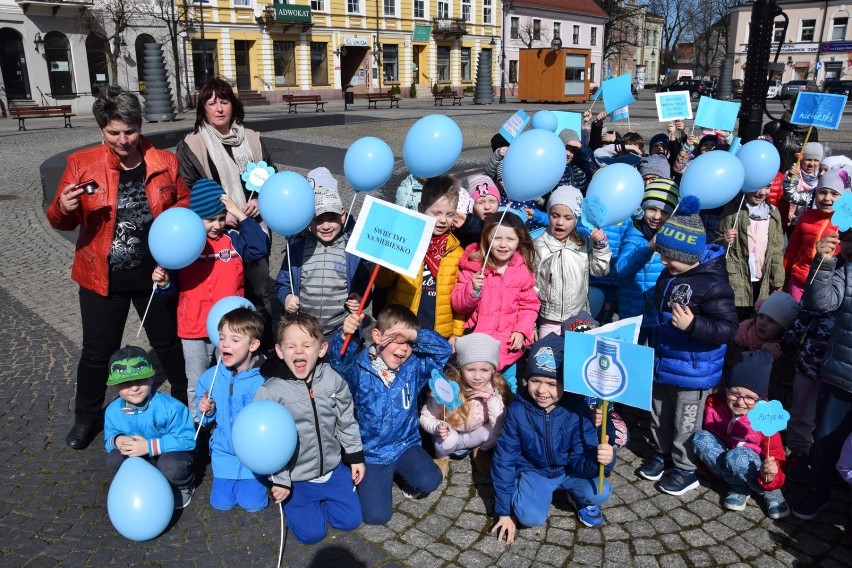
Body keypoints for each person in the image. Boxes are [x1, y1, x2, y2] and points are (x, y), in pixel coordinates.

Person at [46, 86, 189, 450]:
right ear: (101, 130)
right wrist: (63, 205)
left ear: (140, 126)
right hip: (100, 277)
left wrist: (170, 263)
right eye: (114, 132)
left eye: (130, 131)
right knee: (96, 353)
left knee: (169, 344)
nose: (123, 140)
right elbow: (60, 222)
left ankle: (186, 405)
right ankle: (87, 418)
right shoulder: (82, 164)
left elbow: (183, 214)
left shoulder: (165, 163)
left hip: (153, 276)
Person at [638, 196, 738, 496]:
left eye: (671, 257)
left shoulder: (713, 283)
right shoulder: (670, 272)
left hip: (694, 369)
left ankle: (685, 467)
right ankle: (662, 452)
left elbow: (728, 328)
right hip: (664, 360)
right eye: (663, 255)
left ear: (691, 254)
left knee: (687, 420)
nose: (665, 261)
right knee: (659, 413)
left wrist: (694, 326)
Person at [153, 179, 268, 418]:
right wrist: (164, 283)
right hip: (193, 327)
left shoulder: (233, 239)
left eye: (220, 217)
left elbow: (259, 249)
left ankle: (230, 417)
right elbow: (172, 284)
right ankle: (199, 423)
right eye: (209, 220)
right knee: (197, 380)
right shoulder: (185, 242)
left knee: (230, 375)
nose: (216, 225)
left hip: (230, 327)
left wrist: (239, 214)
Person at [175, 77, 276, 350]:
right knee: (221, 291)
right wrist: (220, 214)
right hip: (215, 232)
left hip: (253, 227)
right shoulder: (192, 145)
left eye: (224, 101)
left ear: (233, 105)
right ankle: (222, 347)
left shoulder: (253, 139)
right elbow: (188, 189)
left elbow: (270, 177)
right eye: (211, 103)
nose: (219, 108)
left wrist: (262, 201)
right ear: (203, 109)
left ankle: (263, 349)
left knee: (260, 291)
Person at [330, 305, 452, 525]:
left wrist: (414, 335)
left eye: (408, 343)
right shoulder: (359, 367)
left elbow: (444, 351)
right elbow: (339, 361)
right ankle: (359, 478)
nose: (403, 348)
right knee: (376, 516)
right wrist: (344, 334)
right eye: (396, 339)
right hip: (372, 454)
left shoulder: (414, 367)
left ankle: (403, 475)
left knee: (431, 480)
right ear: (376, 336)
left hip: (405, 446)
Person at [491, 333, 615, 543]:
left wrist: (602, 460)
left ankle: (575, 497)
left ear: (566, 384)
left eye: (551, 383)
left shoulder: (578, 409)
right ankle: (529, 493)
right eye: (535, 380)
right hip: (535, 471)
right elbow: (504, 459)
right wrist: (504, 511)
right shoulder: (518, 410)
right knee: (530, 517)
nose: (541, 390)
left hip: (568, 470)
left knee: (601, 492)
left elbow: (581, 458)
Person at [255, 312, 364, 544]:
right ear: (280, 350)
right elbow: (264, 444)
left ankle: (329, 496)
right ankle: (303, 506)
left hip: (333, 469)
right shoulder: (270, 391)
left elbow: (346, 418)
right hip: (297, 478)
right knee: (311, 535)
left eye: (307, 345)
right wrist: (280, 479)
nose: (299, 351)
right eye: (291, 346)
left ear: (322, 349)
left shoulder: (332, 379)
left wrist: (355, 456)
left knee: (351, 521)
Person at [791, 229, 852, 520]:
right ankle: (818, 491)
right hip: (841, 376)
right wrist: (823, 262)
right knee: (827, 442)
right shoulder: (847, 271)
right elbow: (820, 303)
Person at [275, 170, 371, 340]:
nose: (325, 226)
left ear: (342, 216)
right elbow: (283, 283)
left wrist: (360, 297)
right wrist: (287, 297)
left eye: (332, 218)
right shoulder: (297, 247)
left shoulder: (352, 249)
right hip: (303, 331)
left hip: (340, 332)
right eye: (318, 219)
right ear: (307, 220)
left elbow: (364, 284)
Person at [693, 350, 789, 518]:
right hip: (726, 460)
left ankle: (770, 491)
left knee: (736, 456)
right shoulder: (714, 405)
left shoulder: (765, 418)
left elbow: (776, 455)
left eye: (749, 398)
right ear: (726, 389)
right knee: (700, 438)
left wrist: (771, 477)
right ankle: (738, 485)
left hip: (754, 466)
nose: (740, 402)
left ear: (759, 399)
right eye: (734, 393)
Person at [452, 213, 540, 392]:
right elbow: (458, 304)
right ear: (486, 238)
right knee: (473, 388)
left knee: (507, 388)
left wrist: (522, 330)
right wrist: (472, 289)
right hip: (478, 346)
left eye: (510, 239)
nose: (503, 244)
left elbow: (529, 305)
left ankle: (506, 419)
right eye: (497, 237)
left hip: (507, 345)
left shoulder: (521, 270)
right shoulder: (474, 267)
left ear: (519, 241)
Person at [103, 346, 196, 509]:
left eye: (140, 380)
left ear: (152, 377)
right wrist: (118, 440)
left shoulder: (171, 407)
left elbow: (188, 440)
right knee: (113, 460)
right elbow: (109, 437)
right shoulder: (112, 410)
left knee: (172, 467)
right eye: (125, 383)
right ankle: (142, 484)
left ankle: (181, 486)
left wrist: (148, 446)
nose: (134, 387)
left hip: (169, 454)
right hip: (141, 458)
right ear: (115, 386)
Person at [376, 175, 466, 342]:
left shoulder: (457, 252)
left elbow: (459, 298)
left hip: (439, 333)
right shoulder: (405, 242)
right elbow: (382, 282)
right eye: (436, 212)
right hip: (402, 327)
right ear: (421, 208)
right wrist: (386, 259)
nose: (443, 220)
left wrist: (457, 333)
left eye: (449, 214)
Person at [196, 308, 269, 512]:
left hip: (254, 455)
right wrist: (206, 410)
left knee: (253, 504)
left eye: (235, 339)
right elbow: (203, 416)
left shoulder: (265, 378)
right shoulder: (211, 376)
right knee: (221, 503)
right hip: (223, 452)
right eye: (221, 337)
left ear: (253, 345)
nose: (225, 344)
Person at [419, 333, 513, 477]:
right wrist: (437, 427)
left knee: (493, 435)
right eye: (470, 369)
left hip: (476, 435)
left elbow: (499, 428)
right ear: (461, 368)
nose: (477, 376)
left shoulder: (496, 389)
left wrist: (491, 399)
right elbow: (426, 417)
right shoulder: (447, 388)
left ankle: (481, 450)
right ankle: (442, 458)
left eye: (484, 370)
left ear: (493, 370)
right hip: (451, 435)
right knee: (447, 441)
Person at [532, 185, 611, 338]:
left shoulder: (583, 242)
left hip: (578, 316)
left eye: (568, 218)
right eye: (555, 215)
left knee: (576, 358)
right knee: (549, 357)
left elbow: (600, 270)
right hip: (549, 318)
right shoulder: (538, 245)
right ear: (548, 214)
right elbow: (531, 285)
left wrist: (600, 246)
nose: (560, 222)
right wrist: (531, 321)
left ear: (576, 218)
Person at [616, 179, 680, 344]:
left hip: (661, 315)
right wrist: (647, 248)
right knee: (631, 362)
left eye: (664, 212)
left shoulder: (674, 237)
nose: (657, 217)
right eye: (652, 209)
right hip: (633, 315)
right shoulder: (635, 234)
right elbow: (621, 270)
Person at [717, 183, 785, 321]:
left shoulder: (773, 213)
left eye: (767, 187)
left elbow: (777, 249)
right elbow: (717, 241)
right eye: (756, 187)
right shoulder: (732, 210)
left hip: (761, 278)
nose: (761, 192)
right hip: (736, 277)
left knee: (754, 319)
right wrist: (724, 240)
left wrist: (777, 279)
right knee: (735, 317)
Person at [783, 165, 849, 302]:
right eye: (822, 192)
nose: (827, 198)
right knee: (795, 316)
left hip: (827, 284)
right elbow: (793, 248)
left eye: (834, 194)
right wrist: (784, 274)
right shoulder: (807, 217)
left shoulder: (846, 224)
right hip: (799, 280)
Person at [781, 142, 824, 228]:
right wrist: (792, 177)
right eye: (808, 159)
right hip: (794, 222)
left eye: (816, 160)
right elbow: (785, 196)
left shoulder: (822, 175)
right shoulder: (792, 173)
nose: (811, 164)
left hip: (813, 222)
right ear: (801, 159)